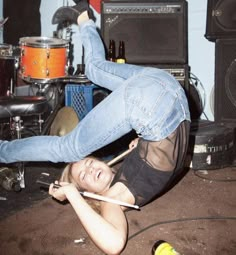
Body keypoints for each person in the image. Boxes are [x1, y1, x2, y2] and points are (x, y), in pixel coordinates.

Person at [0, 1, 191, 254]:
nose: (90, 168)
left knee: (92, 74)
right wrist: (75, 194)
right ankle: (83, 17)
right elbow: (113, 245)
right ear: (90, 194)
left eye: (87, 165)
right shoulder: (113, 200)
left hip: (161, 95)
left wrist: (73, 192)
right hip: (168, 94)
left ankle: (83, 17)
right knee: (69, 147)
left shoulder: (116, 190)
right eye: (85, 175)